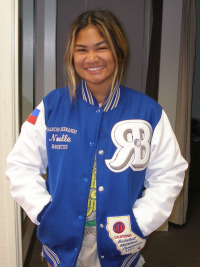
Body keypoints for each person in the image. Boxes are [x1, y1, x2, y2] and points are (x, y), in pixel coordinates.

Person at [6, 9, 188, 267]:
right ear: (72, 55)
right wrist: (46, 212)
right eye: (81, 50)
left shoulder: (148, 112)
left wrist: (140, 222)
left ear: (118, 51)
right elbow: (20, 166)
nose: (91, 58)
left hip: (120, 243)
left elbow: (169, 174)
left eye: (101, 48)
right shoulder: (53, 107)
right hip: (62, 243)